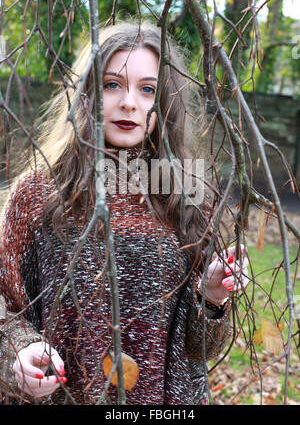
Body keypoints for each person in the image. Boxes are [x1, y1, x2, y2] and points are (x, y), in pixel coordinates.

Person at [0, 21, 249, 405]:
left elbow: (201, 350)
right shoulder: (38, 194)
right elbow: (5, 304)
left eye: (147, 89)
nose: (129, 102)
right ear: (86, 94)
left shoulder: (190, 198)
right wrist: (18, 353)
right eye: (112, 84)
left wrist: (212, 297)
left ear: (164, 103)